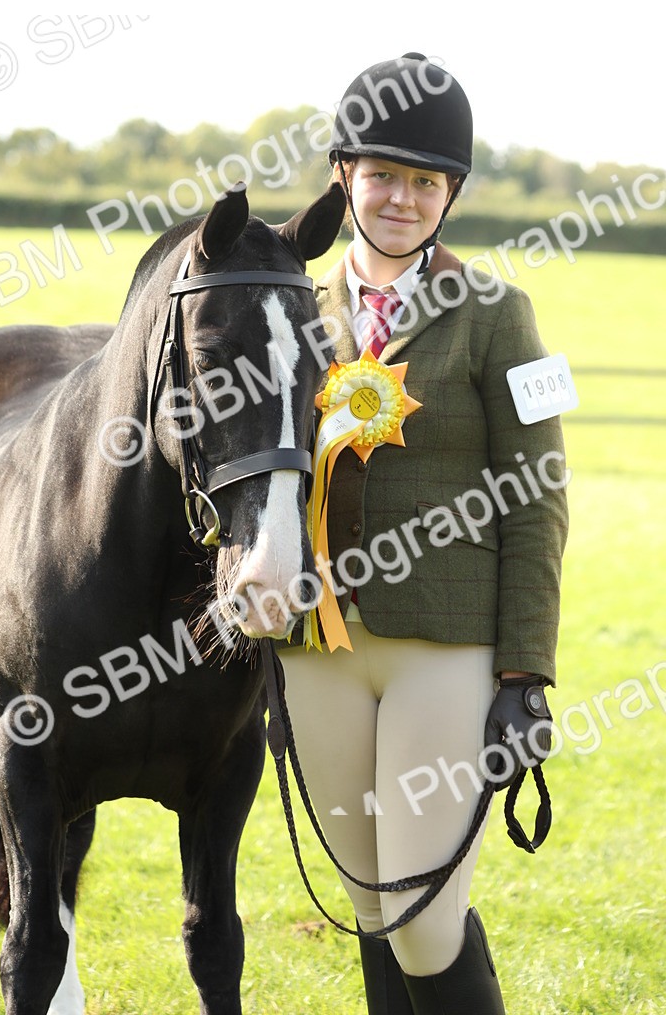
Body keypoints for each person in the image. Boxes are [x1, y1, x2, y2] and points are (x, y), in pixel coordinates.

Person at [278, 53, 569, 1013]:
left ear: (451, 195)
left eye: (426, 182)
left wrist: (525, 671)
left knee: (425, 921)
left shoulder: (500, 315)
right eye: (383, 175)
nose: (403, 198)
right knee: (370, 911)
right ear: (343, 177)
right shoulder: (289, 314)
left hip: (445, 647)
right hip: (319, 648)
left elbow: (538, 499)